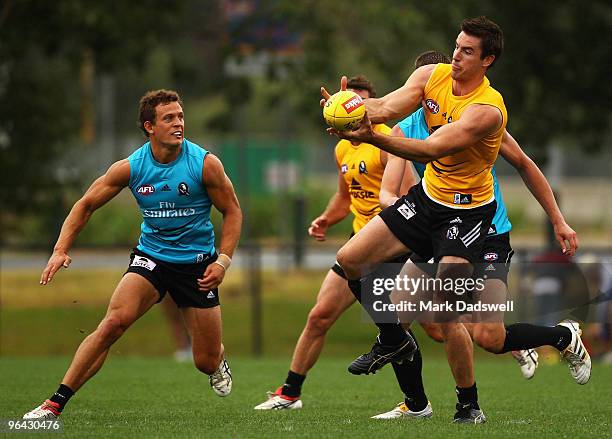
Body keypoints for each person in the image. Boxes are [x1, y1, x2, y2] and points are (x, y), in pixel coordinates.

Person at [324, 16, 590, 423]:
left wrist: (558, 219)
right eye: (456, 46)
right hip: (428, 202)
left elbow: (433, 149)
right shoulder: (432, 76)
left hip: (469, 217)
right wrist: (352, 111)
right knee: (350, 261)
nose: (457, 56)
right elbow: (387, 105)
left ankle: (472, 404)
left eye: (467, 51)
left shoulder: (487, 111)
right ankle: (394, 342)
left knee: (474, 326)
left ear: (488, 60)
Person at [23, 89, 242, 420]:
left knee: (205, 361)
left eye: (181, 116)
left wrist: (222, 262)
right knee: (113, 323)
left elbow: (234, 212)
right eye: (169, 118)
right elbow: (85, 205)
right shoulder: (132, 167)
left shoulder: (205, 164)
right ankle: (53, 404)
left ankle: (218, 359)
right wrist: (59, 250)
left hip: (198, 266)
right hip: (151, 258)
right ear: (149, 126)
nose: (178, 123)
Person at [373, 106, 582, 420]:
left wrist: (558, 220)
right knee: (399, 318)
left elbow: (525, 163)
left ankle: (563, 337)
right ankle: (416, 405)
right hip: (440, 230)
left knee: (489, 336)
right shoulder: (406, 129)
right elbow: (387, 192)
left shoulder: (476, 117)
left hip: (488, 233)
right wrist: (406, 215)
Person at [253, 75, 416, 410]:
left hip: (391, 246)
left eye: (358, 102)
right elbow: (345, 197)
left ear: (372, 106)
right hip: (358, 246)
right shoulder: (342, 146)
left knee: (428, 328)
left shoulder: (387, 142)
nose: (351, 108)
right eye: (346, 102)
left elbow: (409, 198)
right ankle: (290, 392)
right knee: (319, 316)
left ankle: (417, 400)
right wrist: (327, 218)